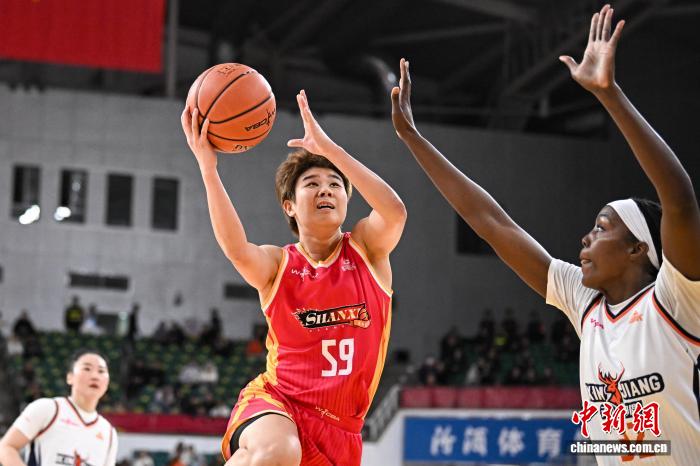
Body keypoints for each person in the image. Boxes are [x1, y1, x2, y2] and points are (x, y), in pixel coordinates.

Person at [391, 5, 699, 464]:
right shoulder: (585, 303)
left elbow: (679, 200)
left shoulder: (675, 300)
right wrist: (414, 139)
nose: (585, 239)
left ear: (638, 248)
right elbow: (491, 222)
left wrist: (609, 95)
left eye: (601, 228)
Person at [181, 88, 406, 466]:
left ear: (346, 200)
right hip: (278, 402)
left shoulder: (367, 250)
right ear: (290, 205)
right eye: (312, 183)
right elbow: (237, 249)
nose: (326, 189)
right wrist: (208, 169)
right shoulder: (278, 264)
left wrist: (331, 150)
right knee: (278, 450)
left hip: (340, 430)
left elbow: (394, 212)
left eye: (335, 184)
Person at [0, 349, 117, 466]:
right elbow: (6, 447)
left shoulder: (109, 432)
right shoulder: (48, 409)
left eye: (101, 371)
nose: (95, 376)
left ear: (107, 383)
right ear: (70, 377)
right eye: (87, 368)